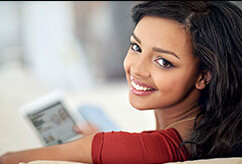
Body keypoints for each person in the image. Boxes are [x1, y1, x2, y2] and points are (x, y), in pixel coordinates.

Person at [0, 1, 242, 164]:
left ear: (204, 76)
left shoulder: (150, 148)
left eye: (163, 62)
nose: (136, 69)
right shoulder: (206, 136)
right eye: (136, 47)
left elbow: (10, 158)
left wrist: (102, 144)